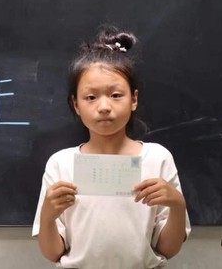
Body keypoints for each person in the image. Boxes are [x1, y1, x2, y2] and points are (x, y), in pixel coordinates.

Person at [33, 25, 191, 268]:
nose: (104, 107)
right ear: (76, 104)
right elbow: (53, 252)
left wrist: (177, 205)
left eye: (116, 95)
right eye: (91, 97)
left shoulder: (157, 158)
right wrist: (47, 217)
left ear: (134, 99)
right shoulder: (61, 164)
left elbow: (167, 249)